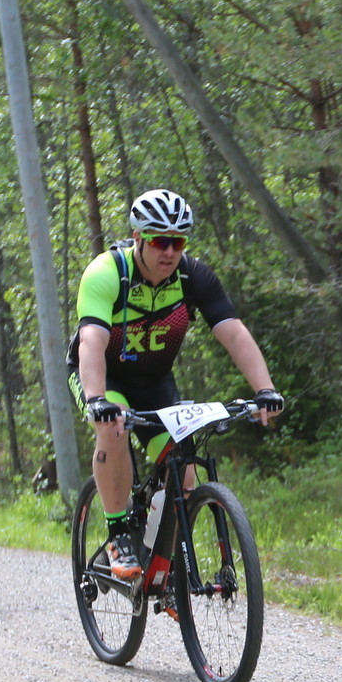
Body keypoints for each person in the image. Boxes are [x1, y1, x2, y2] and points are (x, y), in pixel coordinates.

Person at [67, 189, 283, 580]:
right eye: (159, 241)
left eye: (178, 242)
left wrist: (264, 390)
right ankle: (118, 534)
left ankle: (161, 571)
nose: (169, 251)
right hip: (103, 376)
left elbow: (233, 332)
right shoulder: (107, 273)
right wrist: (97, 398)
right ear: (138, 237)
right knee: (113, 429)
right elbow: (92, 341)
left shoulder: (192, 276)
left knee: (183, 474)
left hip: (154, 382)